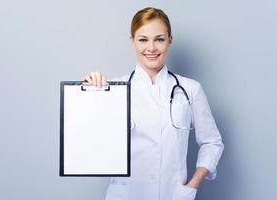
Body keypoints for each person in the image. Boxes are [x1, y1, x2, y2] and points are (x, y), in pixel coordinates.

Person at [83, 7, 224, 200]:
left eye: (159, 39)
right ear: (132, 41)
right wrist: (89, 91)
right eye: (143, 40)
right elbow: (88, 136)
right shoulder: (114, 90)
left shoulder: (190, 89)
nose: (151, 48)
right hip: (126, 194)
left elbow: (212, 143)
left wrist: (193, 184)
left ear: (169, 41)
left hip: (173, 194)